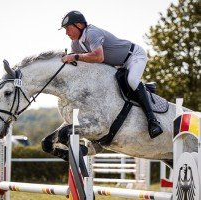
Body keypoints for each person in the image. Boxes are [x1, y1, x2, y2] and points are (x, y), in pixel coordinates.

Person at [60, 10, 163, 139]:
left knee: (132, 80)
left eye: (68, 28)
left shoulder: (92, 33)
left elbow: (98, 57)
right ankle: (145, 88)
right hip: (117, 65)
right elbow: (81, 63)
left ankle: (153, 121)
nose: (66, 32)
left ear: (79, 25)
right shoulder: (75, 44)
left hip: (133, 57)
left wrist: (74, 56)